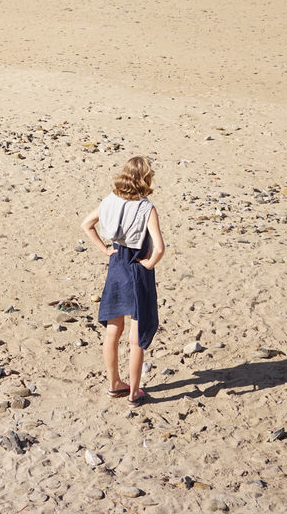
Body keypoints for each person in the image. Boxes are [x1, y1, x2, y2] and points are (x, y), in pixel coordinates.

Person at [81, 156, 165, 405]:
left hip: (116, 266)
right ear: (145, 179)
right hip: (137, 269)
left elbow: (86, 224)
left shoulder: (109, 200)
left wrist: (105, 250)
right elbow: (159, 248)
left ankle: (114, 384)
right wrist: (149, 264)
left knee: (112, 332)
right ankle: (133, 392)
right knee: (136, 337)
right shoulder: (146, 208)